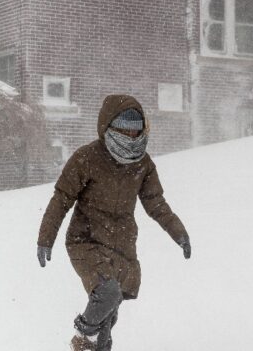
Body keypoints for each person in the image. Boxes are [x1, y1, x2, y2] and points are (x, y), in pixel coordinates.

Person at [37, 94, 191, 351]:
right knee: (107, 293)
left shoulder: (143, 164)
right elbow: (61, 199)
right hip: (85, 241)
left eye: (135, 133)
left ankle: (94, 344)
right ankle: (82, 337)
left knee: (108, 323)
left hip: (121, 245)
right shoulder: (87, 158)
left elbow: (155, 203)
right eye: (123, 131)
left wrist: (179, 233)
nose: (130, 138)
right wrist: (45, 239)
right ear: (107, 127)